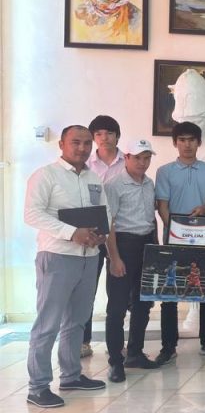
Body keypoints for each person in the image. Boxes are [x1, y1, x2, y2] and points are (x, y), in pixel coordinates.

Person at [24, 125, 108, 408]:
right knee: (48, 323)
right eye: (76, 142)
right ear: (61, 144)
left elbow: (104, 212)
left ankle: (71, 376)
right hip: (57, 256)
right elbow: (32, 214)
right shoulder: (45, 175)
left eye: (87, 143)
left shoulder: (93, 178)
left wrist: (101, 234)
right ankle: (37, 387)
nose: (82, 148)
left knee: (77, 320)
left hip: (89, 257)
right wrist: (72, 233)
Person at [154, 121, 205, 362]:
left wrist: (203, 209)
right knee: (170, 293)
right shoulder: (164, 171)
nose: (187, 144)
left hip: (203, 238)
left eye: (191, 140)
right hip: (174, 241)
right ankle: (168, 346)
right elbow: (162, 207)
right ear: (175, 143)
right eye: (182, 140)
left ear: (199, 142)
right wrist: (176, 232)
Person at [103, 139, 162, 382]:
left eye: (147, 158)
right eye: (137, 157)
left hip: (146, 245)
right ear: (126, 157)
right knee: (117, 308)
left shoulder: (149, 183)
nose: (143, 162)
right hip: (123, 246)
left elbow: (151, 218)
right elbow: (109, 224)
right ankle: (115, 361)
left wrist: (156, 247)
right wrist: (114, 257)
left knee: (143, 303)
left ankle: (135, 353)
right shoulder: (113, 184)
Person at [81, 114, 125, 358]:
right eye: (98, 134)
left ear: (117, 136)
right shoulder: (85, 164)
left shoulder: (128, 160)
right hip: (93, 233)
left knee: (118, 292)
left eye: (109, 133)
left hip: (121, 233)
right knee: (87, 289)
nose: (104, 138)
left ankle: (115, 343)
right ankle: (83, 341)